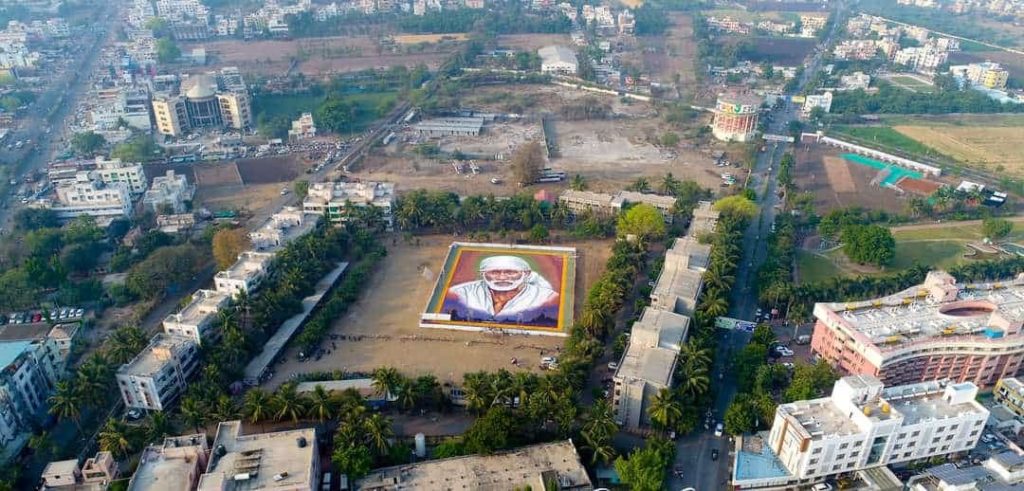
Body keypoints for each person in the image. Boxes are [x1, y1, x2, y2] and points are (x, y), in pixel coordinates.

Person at [443, 255, 559, 325]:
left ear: (527, 274)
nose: (502, 277)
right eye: (494, 272)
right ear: (482, 274)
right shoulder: (460, 293)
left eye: (510, 272)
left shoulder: (547, 297)